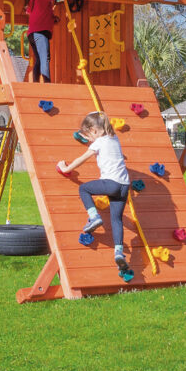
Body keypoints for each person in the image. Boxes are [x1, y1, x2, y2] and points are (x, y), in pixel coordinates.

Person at [57, 111, 131, 274]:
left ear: (95, 131)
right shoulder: (114, 138)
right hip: (124, 185)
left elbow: (82, 158)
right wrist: (87, 133)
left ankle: (94, 217)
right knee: (116, 219)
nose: (89, 139)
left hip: (110, 183)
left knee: (84, 189)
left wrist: (66, 168)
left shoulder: (98, 143)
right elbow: (99, 121)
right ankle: (118, 252)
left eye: (89, 135)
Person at [24, 0, 57, 83]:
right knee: (45, 58)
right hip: (40, 32)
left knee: (39, 59)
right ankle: (47, 83)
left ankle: (36, 82)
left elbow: (32, 12)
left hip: (32, 34)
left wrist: (53, 18)